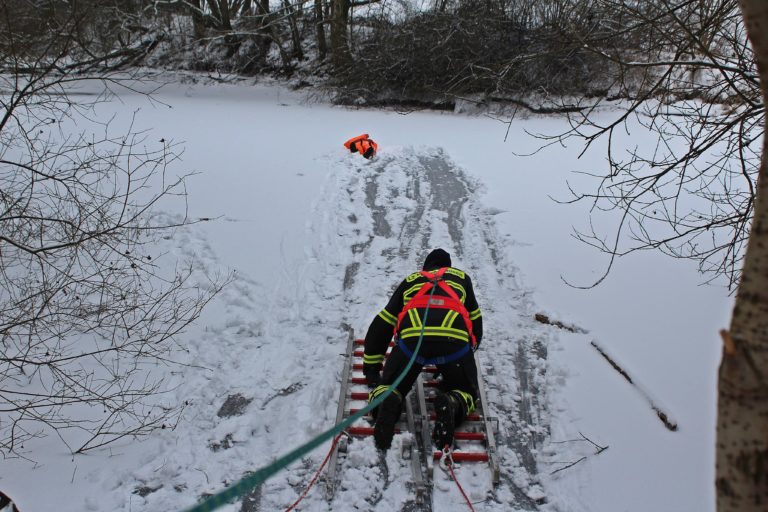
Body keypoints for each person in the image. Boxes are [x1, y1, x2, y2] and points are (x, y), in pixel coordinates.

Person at [362, 248, 483, 451]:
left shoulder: (412, 280)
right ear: (448, 267)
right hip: (454, 344)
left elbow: (383, 323)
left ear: (425, 267)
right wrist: (469, 353)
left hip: (412, 344)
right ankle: (452, 403)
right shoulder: (461, 278)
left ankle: (388, 399)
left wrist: (372, 368)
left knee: (389, 385)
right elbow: (475, 319)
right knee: (467, 392)